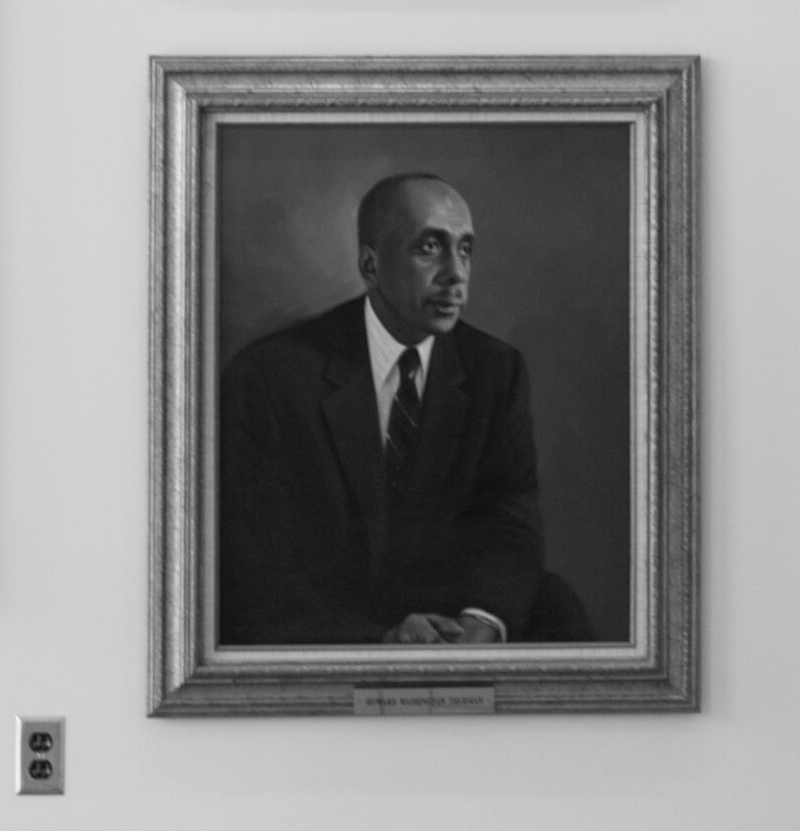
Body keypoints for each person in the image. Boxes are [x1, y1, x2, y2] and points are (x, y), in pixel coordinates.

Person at [217, 172, 589, 645]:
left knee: (560, 612)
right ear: (371, 267)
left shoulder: (496, 370)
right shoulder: (269, 376)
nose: (456, 273)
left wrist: (482, 620)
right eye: (430, 248)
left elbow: (509, 524)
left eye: (466, 249)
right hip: (329, 627)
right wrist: (381, 641)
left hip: (455, 619)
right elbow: (254, 566)